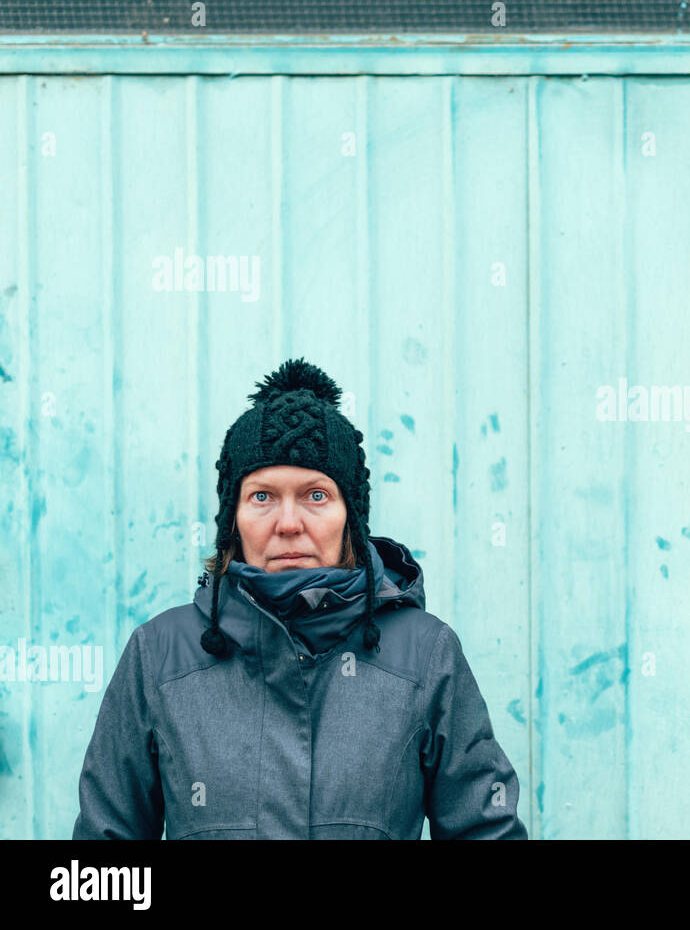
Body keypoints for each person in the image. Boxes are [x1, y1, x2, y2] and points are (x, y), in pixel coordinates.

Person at [71, 358, 527, 839]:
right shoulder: (160, 654)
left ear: (350, 516)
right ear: (233, 520)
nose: (288, 523)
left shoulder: (426, 654)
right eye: (262, 497)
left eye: (315, 495)